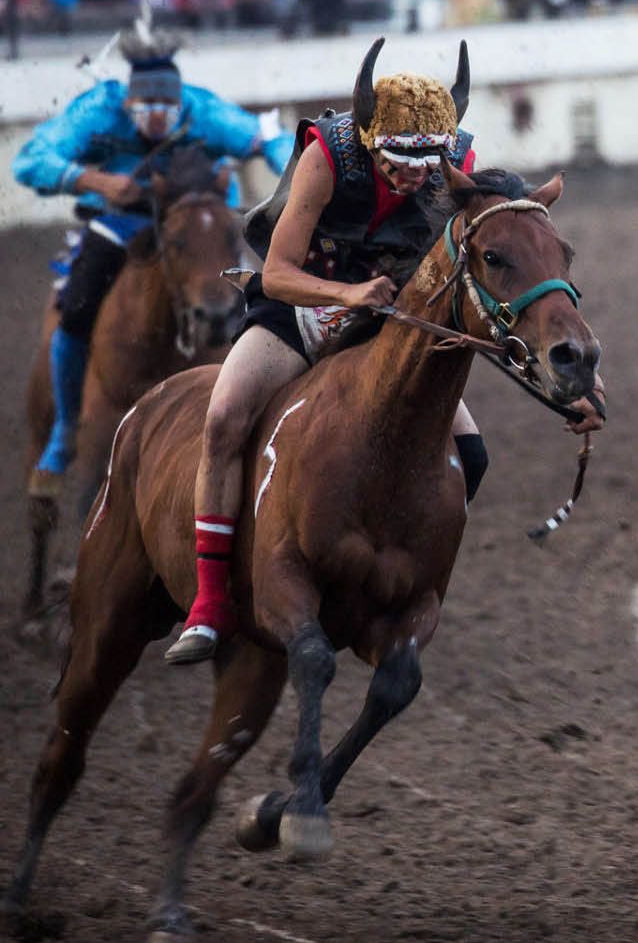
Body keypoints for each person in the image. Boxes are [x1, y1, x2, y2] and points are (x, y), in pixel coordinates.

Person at [162, 39, 606, 665]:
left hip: (391, 319)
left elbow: (484, 290)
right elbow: (279, 272)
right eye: (399, 161)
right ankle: (209, 602)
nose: (416, 177)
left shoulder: (455, 164)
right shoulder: (326, 156)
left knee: (471, 454)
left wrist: (572, 386)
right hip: (300, 307)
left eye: (429, 162)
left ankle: (406, 576)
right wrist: (348, 292)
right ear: (370, 140)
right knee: (224, 417)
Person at [14, 22, 294, 497]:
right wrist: (96, 183)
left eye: (167, 107)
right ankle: (64, 433)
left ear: (179, 101)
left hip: (198, 224)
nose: (159, 117)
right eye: (148, 108)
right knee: (78, 303)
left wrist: (287, 186)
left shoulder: (202, 109)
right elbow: (31, 159)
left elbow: (272, 139)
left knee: (261, 297)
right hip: (123, 221)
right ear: (128, 103)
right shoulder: (99, 108)